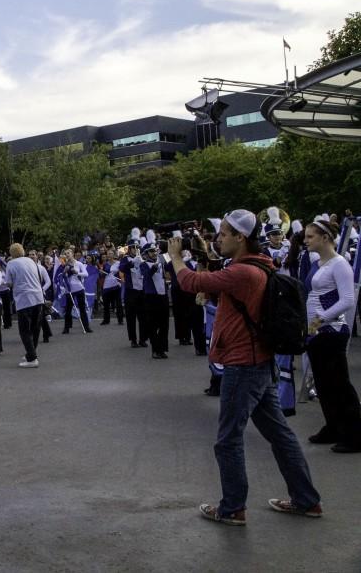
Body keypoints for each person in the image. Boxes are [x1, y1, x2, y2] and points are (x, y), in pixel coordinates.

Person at [168, 210, 322, 526]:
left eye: (224, 233)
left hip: (243, 366)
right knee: (279, 434)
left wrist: (175, 257)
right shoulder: (256, 267)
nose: (218, 238)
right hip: (258, 362)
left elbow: (191, 280)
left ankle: (232, 508)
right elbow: (214, 275)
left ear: (241, 237)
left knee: (228, 439)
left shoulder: (244, 273)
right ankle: (306, 500)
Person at [302, 218, 361, 453]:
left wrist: (323, 318)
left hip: (332, 330)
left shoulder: (339, 265)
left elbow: (347, 300)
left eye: (310, 237)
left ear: (325, 238)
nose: (306, 241)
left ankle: (355, 434)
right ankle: (334, 426)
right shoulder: (319, 263)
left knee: (339, 384)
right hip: (317, 331)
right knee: (324, 383)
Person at [4, 244, 45, 368]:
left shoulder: (11, 264)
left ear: (12, 253)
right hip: (38, 297)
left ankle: (32, 358)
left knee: (24, 331)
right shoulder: (31, 261)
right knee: (35, 328)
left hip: (24, 299)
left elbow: (9, 283)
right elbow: (39, 277)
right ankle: (31, 353)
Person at [139, 234, 169, 360]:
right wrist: (155, 267)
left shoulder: (162, 262)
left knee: (164, 325)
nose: (154, 253)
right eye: (151, 251)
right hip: (151, 297)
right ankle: (155, 349)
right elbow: (146, 275)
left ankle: (162, 349)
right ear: (146, 254)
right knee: (153, 324)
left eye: (155, 251)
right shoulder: (144, 264)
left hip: (163, 296)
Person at [120, 229, 146, 348]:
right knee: (131, 317)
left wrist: (142, 262)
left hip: (141, 291)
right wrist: (131, 263)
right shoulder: (125, 259)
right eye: (134, 248)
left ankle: (143, 339)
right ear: (129, 249)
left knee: (143, 317)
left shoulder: (142, 258)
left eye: (137, 248)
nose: (136, 250)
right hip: (130, 292)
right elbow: (122, 269)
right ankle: (133, 340)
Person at [61, 250, 93, 334]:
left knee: (82, 308)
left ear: (72, 254)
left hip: (79, 288)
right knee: (68, 309)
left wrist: (77, 272)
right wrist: (64, 271)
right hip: (69, 290)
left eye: (68, 253)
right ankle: (66, 328)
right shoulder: (65, 265)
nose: (67, 255)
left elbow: (86, 274)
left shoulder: (79, 264)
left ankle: (86, 327)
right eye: (65, 254)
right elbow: (62, 276)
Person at [100, 253, 123, 326]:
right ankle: (106, 320)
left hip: (116, 285)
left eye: (111, 254)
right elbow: (102, 275)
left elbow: (121, 272)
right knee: (106, 304)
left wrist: (121, 279)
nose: (109, 255)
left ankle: (120, 320)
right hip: (107, 285)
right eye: (108, 254)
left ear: (113, 255)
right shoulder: (105, 264)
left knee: (118, 303)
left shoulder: (118, 263)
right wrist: (101, 272)